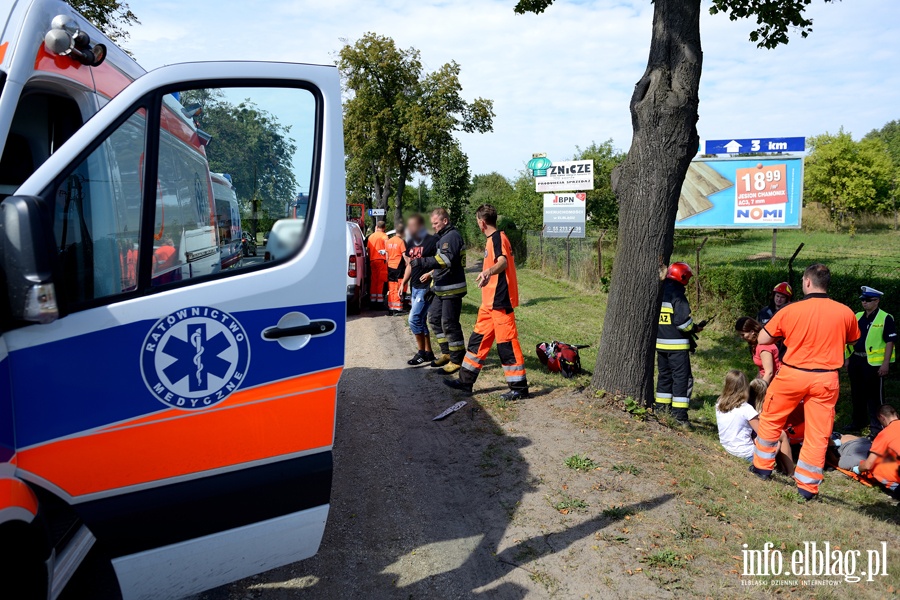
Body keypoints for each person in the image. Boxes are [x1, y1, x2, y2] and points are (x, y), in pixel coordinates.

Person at [750, 264, 861, 501]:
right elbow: (853, 339)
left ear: (807, 282)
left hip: (792, 374)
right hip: (826, 377)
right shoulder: (846, 312)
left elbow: (762, 338)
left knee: (771, 418)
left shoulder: (790, 311)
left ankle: (761, 468)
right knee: (819, 432)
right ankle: (807, 487)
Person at [444, 205, 529, 400]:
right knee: (477, 341)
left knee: (506, 344)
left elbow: (502, 262)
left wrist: (487, 272)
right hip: (489, 303)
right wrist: (487, 276)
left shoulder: (498, 238)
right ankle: (465, 382)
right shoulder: (492, 239)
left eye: (477, 221)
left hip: (500, 301)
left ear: (482, 222)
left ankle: (519, 388)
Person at [410, 208, 467, 373]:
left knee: (449, 323)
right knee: (434, 319)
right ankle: (447, 353)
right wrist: (433, 284)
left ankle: (457, 359)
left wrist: (422, 262)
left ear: (445, 221)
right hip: (440, 287)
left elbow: (445, 260)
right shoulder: (442, 237)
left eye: (435, 223)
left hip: (452, 288)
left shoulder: (452, 237)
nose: (433, 226)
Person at [715, 370, 794, 475]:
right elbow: (764, 433)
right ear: (745, 388)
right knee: (781, 437)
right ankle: (791, 473)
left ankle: (781, 468)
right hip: (745, 453)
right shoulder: (746, 409)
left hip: (727, 445)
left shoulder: (719, 403)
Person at [655, 262, 703, 426]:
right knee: (681, 379)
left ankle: (661, 409)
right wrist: (694, 328)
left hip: (661, 344)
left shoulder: (660, 292)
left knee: (664, 377)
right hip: (677, 347)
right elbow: (683, 323)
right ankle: (679, 416)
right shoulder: (678, 296)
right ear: (682, 277)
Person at [844, 286, 896, 436]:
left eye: (868, 300)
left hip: (873, 364)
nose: (864, 303)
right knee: (857, 393)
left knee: (874, 397)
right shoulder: (857, 316)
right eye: (862, 300)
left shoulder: (885, 318)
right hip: (856, 360)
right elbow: (847, 338)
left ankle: (876, 427)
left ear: (877, 301)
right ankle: (858, 422)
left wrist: (885, 363)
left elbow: (889, 342)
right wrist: (847, 359)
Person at [401, 215, 438, 366]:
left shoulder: (432, 241)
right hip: (414, 287)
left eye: (412, 226)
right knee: (421, 320)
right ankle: (429, 352)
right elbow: (410, 264)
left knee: (413, 319)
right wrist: (403, 283)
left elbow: (441, 262)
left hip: (426, 288)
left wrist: (430, 274)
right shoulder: (410, 242)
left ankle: (421, 353)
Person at [846, 404, 900, 493]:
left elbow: (868, 465)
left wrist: (858, 469)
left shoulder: (885, 434)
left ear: (882, 417)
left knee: (877, 467)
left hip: (895, 480)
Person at [735, 317, 781, 384]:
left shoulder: (764, 347)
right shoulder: (756, 344)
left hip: (774, 382)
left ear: (752, 332)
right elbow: (761, 370)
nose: (741, 337)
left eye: (743, 335)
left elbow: (769, 373)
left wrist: (760, 391)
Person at [385, 224, 407, 315]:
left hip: (390, 266)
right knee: (398, 287)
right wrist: (409, 264)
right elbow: (404, 255)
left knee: (391, 287)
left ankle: (391, 307)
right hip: (399, 267)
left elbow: (386, 257)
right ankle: (398, 308)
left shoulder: (389, 241)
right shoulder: (401, 242)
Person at [367, 221, 389, 306]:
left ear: (376, 227)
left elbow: (368, 250)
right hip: (381, 260)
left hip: (372, 260)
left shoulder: (371, 237)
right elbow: (387, 250)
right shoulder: (384, 236)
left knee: (373, 280)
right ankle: (379, 301)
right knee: (380, 281)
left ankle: (373, 299)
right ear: (384, 227)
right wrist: (388, 260)